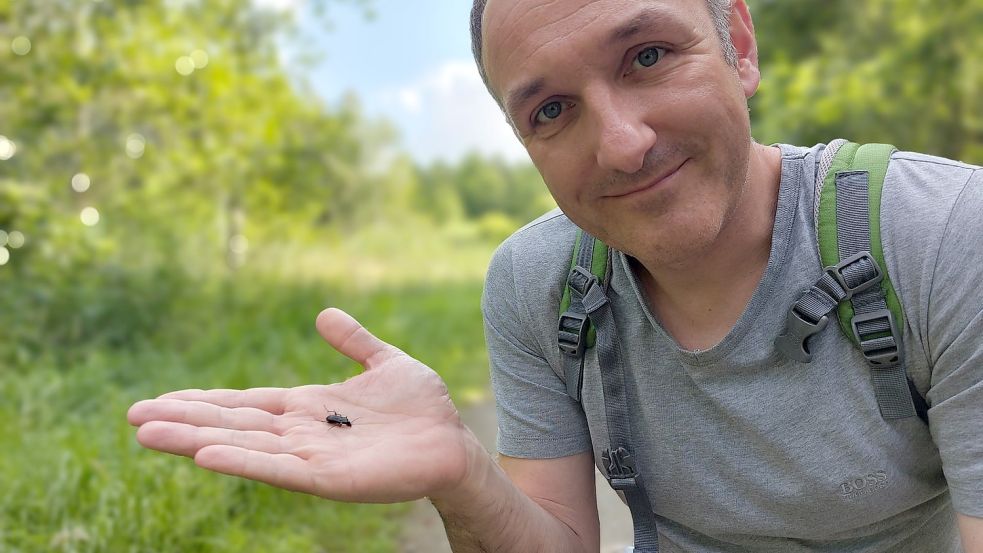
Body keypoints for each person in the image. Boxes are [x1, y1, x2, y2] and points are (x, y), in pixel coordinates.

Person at [127, 0, 983, 551]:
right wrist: (461, 478)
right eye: (550, 110)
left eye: (646, 56)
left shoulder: (938, 233)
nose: (621, 144)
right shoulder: (538, 283)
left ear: (741, 43)